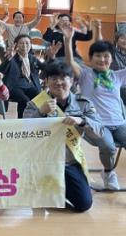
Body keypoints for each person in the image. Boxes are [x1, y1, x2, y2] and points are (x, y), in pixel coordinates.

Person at [23, 61, 100, 212]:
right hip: (42, 162)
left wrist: (82, 121)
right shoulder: (35, 104)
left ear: (72, 81)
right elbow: (23, 133)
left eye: (63, 78)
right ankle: (50, 190)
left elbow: (99, 133)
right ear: (46, 81)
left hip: (69, 162)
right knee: (36, 198)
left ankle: (56, 191)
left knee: (84, 204)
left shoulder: (83, 104)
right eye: (53, 78)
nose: (58, 82)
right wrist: (40, 112)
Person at [63, 26, 126, 190]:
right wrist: (68, 40)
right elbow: (70, 62)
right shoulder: (85, 74)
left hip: (119, 123)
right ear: (91, 58)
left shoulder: (117, 76)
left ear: (111, 58)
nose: (102, 59)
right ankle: (109, 172)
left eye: (106, 56)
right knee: (108, 146)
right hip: (96, 124)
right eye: (98, 56)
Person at [0, 34, 58, 118]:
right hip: (15, 86)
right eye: (21, 43)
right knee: (25, 101)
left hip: (29, 85)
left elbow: (45, 67)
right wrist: (9, 59)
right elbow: (1, 70)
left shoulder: (32, 58)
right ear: (16, 45)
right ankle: (22, 120)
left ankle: (38, 118)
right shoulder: (12, 57)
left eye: (27, 43)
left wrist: (52, 58)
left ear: (30, 45)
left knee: (39, 97)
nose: (24, 45)